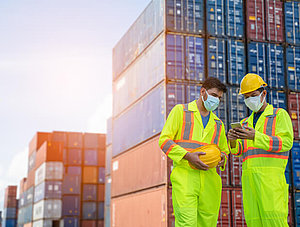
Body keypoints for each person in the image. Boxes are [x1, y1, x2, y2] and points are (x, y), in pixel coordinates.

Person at [159, 77, 229, 227]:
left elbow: (224, 151)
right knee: (187, 223)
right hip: (186, 179)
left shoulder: (218, 124)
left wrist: (222, 158)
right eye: (214, 95)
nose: (216, 100)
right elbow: (164, 141)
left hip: (210, 182)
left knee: (207, 224)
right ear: (202, 92)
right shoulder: (181, 111)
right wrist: (188, 156)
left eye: (219, 98)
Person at [228, 73, 293, 226]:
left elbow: (287, 142)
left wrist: (256, 136)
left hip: (270, 182)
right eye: (246, 97)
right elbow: (238, 151)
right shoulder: (245, 122)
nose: (250, 99)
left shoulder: (279, 115)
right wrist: (232, 141)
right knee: (253, 222)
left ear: (264, 93)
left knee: (274, 222)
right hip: (250, 183)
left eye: (253, 95)